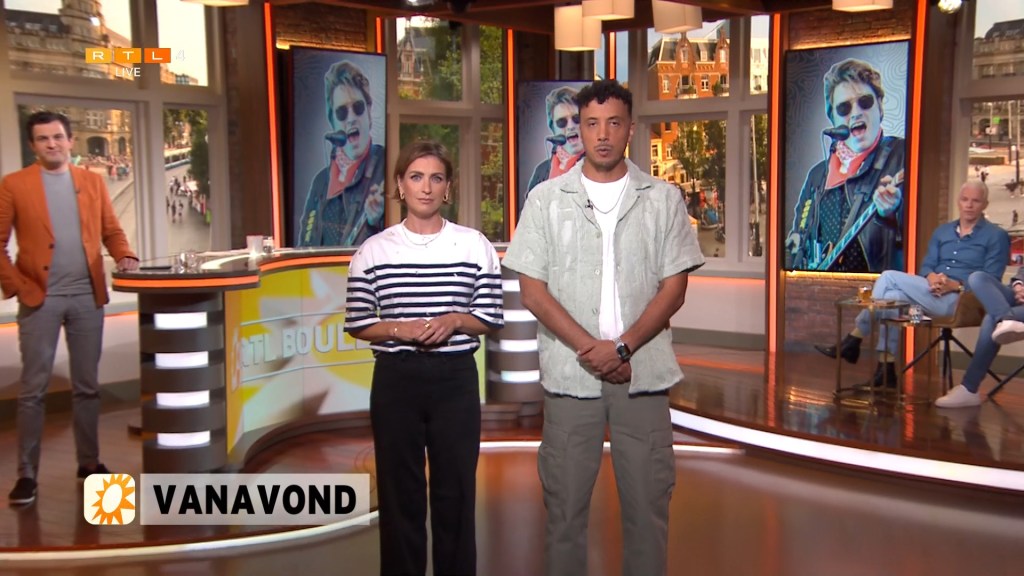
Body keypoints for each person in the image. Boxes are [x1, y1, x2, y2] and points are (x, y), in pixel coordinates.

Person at [503, 79, 705, 576]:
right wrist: (591, 350)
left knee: (648, 512)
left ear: (630, 129)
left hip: (643, 375)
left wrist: (622, 348)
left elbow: (674, 290)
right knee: (564, 514)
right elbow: (533, 292)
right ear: (579, 129)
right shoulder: (545, 200)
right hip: (571, 377)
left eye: (614, 123)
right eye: (591, 123)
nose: (602, 134)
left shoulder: (663, 199)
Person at [344, 140, 503, 575]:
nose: (426, 188)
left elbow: (490, 316)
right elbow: (358, 321)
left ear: (448, 187)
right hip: (396, 380)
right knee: (400, 496)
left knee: (456, 494)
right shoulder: (373, 250)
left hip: (455, 380)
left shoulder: (473, 245)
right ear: (400, 185)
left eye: (436, 178)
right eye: (416, 177)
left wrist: (455, 320)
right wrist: (400, 329)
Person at [0, 111, 139, 506]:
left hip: (86, 297)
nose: (52, 144)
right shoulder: (14, 185)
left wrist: (125, 255)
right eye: (43, 139)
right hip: (39, 298)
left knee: (87, 387)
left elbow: (111, 230)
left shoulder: (92, 182)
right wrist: (18, 286)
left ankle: (89, 463)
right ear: (33, 145)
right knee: (33, 390)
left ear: (70, 140)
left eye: (58, 137)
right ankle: (27, 475)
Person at [816, 180, 1009, 388]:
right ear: (958, 201)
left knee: (888, 277)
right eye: (965, 199)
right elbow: (927, 266)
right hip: (928, 297)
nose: (969, 205)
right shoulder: (942, 232)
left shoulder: (996, 236)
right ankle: (886, 370)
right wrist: (931, 277)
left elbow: (992, 279)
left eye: (975, 201)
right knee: (892, 298)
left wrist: (956, 285)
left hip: (961, 301)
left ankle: (854, 337)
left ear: (985, 204)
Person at [786, 58, 906, 273]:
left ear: (879, 106)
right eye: (844, 108)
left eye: (865, 102)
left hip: (875, 287)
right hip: (821, 286)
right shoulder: (817, 175)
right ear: (833, 118)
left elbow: (918, 235)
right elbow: (798, 234)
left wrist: (891, 214)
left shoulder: (901, 154)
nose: (856, 112)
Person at [296, 59, 386, 247]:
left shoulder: (385, 165)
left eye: (358, 108)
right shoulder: (320, 183)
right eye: (342, 113)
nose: (351, 118)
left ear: (369, 112)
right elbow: (304, 246)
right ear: (332, 121)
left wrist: (376, 222)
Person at [935, 267, 1024, 408]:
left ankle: (969, 387)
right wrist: (1019, 285)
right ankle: (1005, 319)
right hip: (1018, 295)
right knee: (977, 277)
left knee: (991, 319)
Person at [520, 86, 584, 216]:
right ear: (553, 128)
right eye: (562, 122)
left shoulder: (598, 166)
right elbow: (527, 217)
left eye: (576, 119)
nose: (571, 126)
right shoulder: (542, 171)